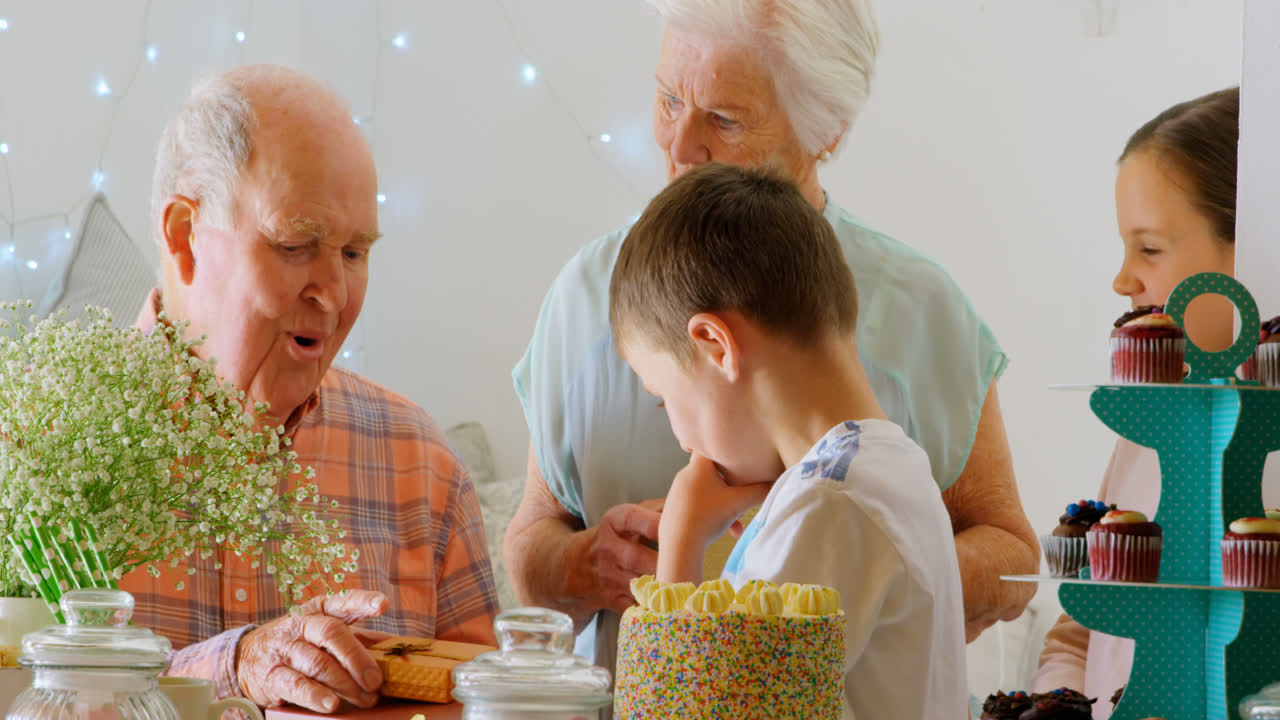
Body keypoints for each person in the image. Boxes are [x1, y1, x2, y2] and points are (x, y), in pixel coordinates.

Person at [504, 0, 1038, 671]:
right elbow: (530, 548)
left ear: (828, 131)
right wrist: (588, 564)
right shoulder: (591, 293)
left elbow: (1012, 552)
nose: (677, 146)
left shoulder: (921, 309)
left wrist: (872, 579)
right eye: (669, 100)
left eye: (724, 119)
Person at [118, 65, 500, 712]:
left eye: (354, 253)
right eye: (296, 245)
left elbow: (485, 702)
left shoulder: (420, 464)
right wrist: (234, 669)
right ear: (184, 237)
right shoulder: (34, 442)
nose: (334, 294)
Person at [611, 163, 968, 718]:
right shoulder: (883, 468)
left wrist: (679, 547)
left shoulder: (830, 503)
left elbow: (698, 713)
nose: (682, 438)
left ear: (715, 345)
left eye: (665, 400)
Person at [1032, 87, 1267, 717]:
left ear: (1254, 248)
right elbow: (1077, 635)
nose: (1122, 279)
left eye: (1150, 249)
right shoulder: (1147, 427)